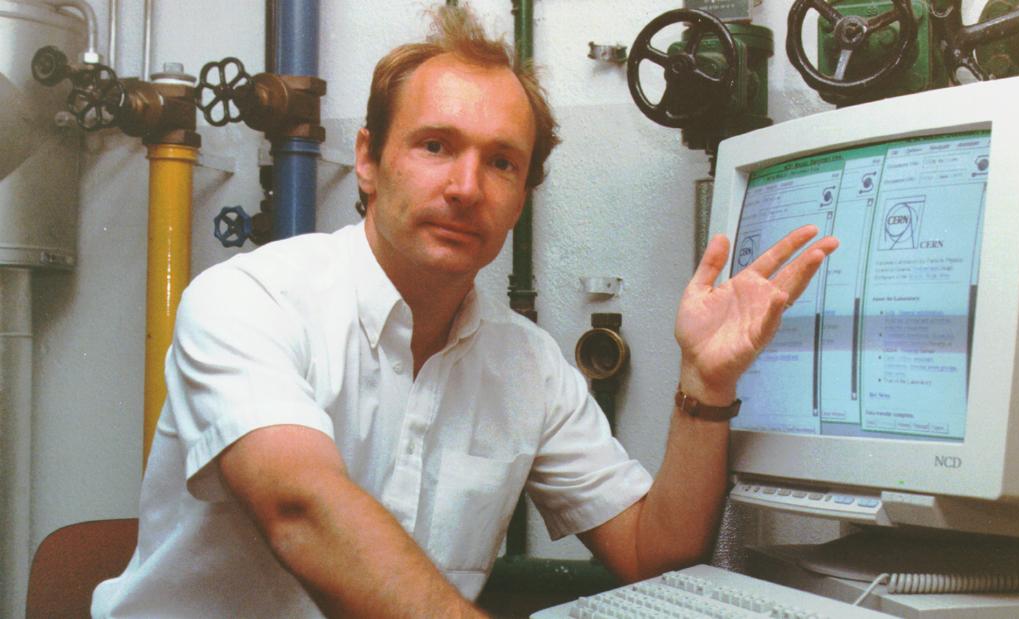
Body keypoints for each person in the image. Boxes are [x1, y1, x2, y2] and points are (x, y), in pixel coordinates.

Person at [92, 6, 838, 618]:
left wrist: (704, 382)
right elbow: (301, 506)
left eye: (501, 162)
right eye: (435, 146)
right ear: (369, 157)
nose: (465, 185)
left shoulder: (527, 365)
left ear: (523, 194)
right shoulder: (249, 299)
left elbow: (651, 550)